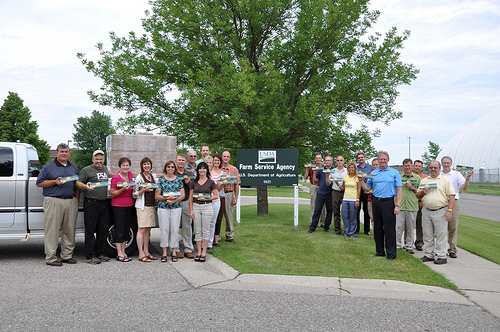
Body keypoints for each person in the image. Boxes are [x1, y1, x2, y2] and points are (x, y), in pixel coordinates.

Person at [36, 143, 79, 266]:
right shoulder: (49, 167)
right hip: (54, 200)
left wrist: (76, 199)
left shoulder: (73, 166)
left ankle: (66, 255)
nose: (64, 154)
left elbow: (77, 183)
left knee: (69, 230)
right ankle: (51, 257)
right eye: (62, 152)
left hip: (70, 201)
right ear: (57, 153)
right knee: (52, 230)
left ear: (69, 154)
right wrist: (54, 182)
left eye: (66, 152)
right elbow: (39, 183)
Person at [363, 151, 402, 260]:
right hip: (376, 202)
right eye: (380, 159)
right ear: (378, 160)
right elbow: (367, 188)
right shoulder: (373, 173)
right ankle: (380, 251)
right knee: (378, 228)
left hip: (389, 202)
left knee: (389, 229)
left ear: (388, 160)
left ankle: (391, 253)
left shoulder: (394, 173)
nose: (382, 161)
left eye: (384, 159)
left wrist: (397, 205)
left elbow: (399, 189)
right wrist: (361, 181)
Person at [76, 149, 111, 265]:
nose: (99, 161)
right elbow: (78, 183)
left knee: (103, 230)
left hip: (103, 203)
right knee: (90, 230)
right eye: (96, 159)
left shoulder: (105, 169)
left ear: (104, 160)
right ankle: (90, 256)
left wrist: (131, 175)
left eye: (101, 159)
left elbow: (116, 176)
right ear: (93, 159)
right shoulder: (87, 170)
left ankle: (99, 253)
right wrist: (86, 186)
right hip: (91, 203)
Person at [417, 160, 455, 265]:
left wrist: (449, 210)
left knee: (441, 234)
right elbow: (418, 195)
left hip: (440, 210)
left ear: (439, 168)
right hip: (426, 210)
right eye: (431, 167)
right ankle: (429, 254)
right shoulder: (425, 181)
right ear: (428, 168)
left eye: (435, 167)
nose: (433, 169)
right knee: (427, 234)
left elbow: (452, 196)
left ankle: (442, 255)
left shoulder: (445, 180)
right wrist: (422, 192)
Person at [441, 156, 474, 259]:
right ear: (442, 164)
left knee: (453, 227)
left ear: (451, 164)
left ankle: (452, 249)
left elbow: (464, 188)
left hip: (453, 202)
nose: (446, 164)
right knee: (440, 228)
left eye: (448, 163)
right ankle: (440, 248)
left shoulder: (456, 174)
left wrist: (467, 178)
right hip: (441, 202)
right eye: (444, 163)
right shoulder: (439, 174)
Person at [156, 160, 185, 262]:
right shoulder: (161, 180)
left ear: (174, 168)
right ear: (166, 168)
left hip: (176, 207)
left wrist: (174, 201)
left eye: (172, 167)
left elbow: (183, 195)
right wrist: (166, 199)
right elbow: (157, 195)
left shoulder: (178, 180)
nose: (170, 168)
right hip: (163, 207)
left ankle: (173, 251)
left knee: (175, 229)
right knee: (164, 229)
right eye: (168, 167)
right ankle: (164, 252)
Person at [189, 162, 219, 262]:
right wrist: (191, 210)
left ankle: (204, 252)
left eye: (204, 168)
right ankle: (198, 252)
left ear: (207, 170)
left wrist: (207, 197)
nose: (202, 170)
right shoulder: (193, 182)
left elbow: (216, 195)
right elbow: (190, 197)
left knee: (205, 230)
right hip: (196, 206)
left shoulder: (211, 182)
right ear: (198, 170)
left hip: (207, 206)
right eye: (200, 168)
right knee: (198, 230)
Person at [110, 157, 135, 262]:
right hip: (118, 206)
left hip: (129, 205)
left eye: (127, 165)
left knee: (126, 229)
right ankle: (119, 253)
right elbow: (112, 193)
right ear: (119, 167)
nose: (125, 167)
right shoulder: (116, 178)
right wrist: (122, 190)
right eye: (123, 165)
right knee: (119, 229)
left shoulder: (130, 175)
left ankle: (124, 252)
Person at [134, 157, 158, 262]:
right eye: (144, 164)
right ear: (142, 166)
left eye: (148, 164)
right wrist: (144, 190)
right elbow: (134, 194)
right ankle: (140, 253)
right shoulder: (139, 178)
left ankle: (147, 251)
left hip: (151, 205)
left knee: (148, 229)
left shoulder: (153, 176)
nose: (146, 166)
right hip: (142, 206)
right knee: (141, 229)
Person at [396, 158, 421, 254]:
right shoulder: (399, 177)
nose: (407, 167)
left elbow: (420, 191)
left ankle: (409, 246)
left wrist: (413, 188)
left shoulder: (417, 178)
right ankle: (397, 244)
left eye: (409, 166)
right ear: (403, 167)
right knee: (398, 227)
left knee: (410, 228)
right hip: (401, 205)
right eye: (405, 166)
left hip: (412, 205)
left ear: (412, 167)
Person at [331, 161, 360, 237]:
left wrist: (357, 200)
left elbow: (359, 190)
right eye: (349, 167)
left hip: (353, 199)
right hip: (345, 199)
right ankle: (347, 232)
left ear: (355, 168)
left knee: (353, 217)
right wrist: (337, 184)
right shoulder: (345, 177)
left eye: (352, 167)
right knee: (344, 216)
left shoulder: (357, 178)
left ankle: (352, 232)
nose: (351, 169)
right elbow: (343, 188)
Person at [307, 156, 334, 233]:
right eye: (326, 160)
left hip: (330, 193)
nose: (327, 162)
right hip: (321, 192)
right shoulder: (321, 170)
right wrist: (315, 173)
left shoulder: (333, 170)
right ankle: (313, 227)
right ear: (324, 162)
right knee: (317, 209)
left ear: (332, 162)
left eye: (329, 160)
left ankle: (326, 227)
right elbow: (315, 180)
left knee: (329, 211)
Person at [221, 151, 241, 242]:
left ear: (229, 158)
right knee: (217, 216)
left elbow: (237, 184)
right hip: (218, 193)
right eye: (224, 156)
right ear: (222, 157)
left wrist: (235, 198)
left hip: (229, 193)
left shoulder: (234, 169)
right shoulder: (217, 168)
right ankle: (216, 236)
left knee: (229, 215)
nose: (226, 158)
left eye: (227, 156)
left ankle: (229, 235)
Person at [205, 155, 224, 249]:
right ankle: (203, 242)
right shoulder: (200, 175)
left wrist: (221, 183)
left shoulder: (216, 175)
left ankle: (210, 242)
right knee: (204, 223)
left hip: (215, 200)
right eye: (207, 162)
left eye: (210, 162)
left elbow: (218, 189)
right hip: (204, 201)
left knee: (213, 222)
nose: (208, 164)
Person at [304, 153, 326, 227]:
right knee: (313, 204)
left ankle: (323, 222)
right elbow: (305, 177)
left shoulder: (324, 167)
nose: (318, 159)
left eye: (319, 158)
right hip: (314, 186)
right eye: (317, 158)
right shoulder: (311, 167)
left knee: (323, 206)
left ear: (321, 159)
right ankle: (313, 222)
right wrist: (307, 169)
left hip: (322, 187)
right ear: (315, 159)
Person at [356, 152, 373, 235]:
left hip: (367, 190)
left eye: (361, 157)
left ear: (364, 158)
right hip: (358, 190)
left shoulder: (370, 167)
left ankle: (367, 230)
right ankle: (356, 229)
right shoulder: (356, 168)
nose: (360, 159)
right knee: (357, 210)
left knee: (366, 211)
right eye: (359, 158)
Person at [413, 159, 428, 251]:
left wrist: (422, 201)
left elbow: (426, 191)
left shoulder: (425, 178)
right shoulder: (410, 176)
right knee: (409, 224)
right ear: (413, 166)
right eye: (416, 165)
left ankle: (419, 242)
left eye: (419, 166)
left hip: (421, 203)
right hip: (411, 203)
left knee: (420, 224)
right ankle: (408, 242)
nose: (417, 167)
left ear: (422, 167)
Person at [330, 155, 347, 234]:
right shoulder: (333, 171)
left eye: (341, 160)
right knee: (336, 212)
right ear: (336, 162)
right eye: (338, 160)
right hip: (335, 192)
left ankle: (347, 229)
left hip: (345, 193)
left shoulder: (347, 171)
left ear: (343, 161)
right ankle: (337, 230)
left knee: (346, 212)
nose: (339, 162)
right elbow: (329, 181)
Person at [212, 154, 226, 247]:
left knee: (218, 219)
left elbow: (220, 188)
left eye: (218, 160)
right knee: (209, 219)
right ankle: (208, 239)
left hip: (220, 197)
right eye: (215, 160)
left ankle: (216, 240)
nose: (216, 162)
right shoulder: (208, 172)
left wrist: (220, 184)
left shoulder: (223, 174)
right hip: (210, 198)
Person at [367, 158, 379, 230]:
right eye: (373, 165)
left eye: (376, 164)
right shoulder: (369, 174)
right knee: (372, 218)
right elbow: (366, 187)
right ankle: (375, 235)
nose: (375, 166)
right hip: (370, 199)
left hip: (379, 199)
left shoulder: (382, 174)